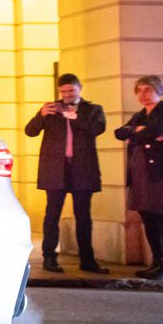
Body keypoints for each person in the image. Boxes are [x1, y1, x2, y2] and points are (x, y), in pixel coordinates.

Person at [25, 73, 107, 274]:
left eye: (71, 90)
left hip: (82, 170)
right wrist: (41, 115)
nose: (67, 95)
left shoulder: (93, 110)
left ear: (80, 88)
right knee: (52, 215)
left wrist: (75, 117)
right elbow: (30, 131)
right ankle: (49, 258)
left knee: (83, 217)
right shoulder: (51, 109)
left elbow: (98, 128)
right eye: (63, 91)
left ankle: (87, 260)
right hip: (55, 171)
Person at [115, 74, 163, 280]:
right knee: (148, 217)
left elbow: (159, 128)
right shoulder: (139, 116)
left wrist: (136, 132)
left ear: (159, 91)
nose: (143, 94)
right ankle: (157, 261)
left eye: (148, 89)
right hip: (140, 175)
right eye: (140, 90)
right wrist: (137, 130)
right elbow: (119, 132)